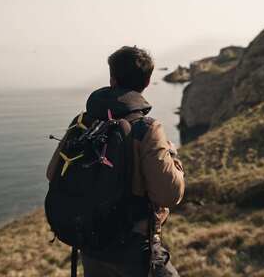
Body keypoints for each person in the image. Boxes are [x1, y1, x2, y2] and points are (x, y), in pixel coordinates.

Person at [46, 46, 185, 277]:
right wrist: (174, 157)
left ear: (112, 78)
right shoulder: (147, 129)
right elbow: (170, 195)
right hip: (134, 251)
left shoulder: (82, 121)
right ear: (148, 81)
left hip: (91, 245)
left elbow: (53, 173)